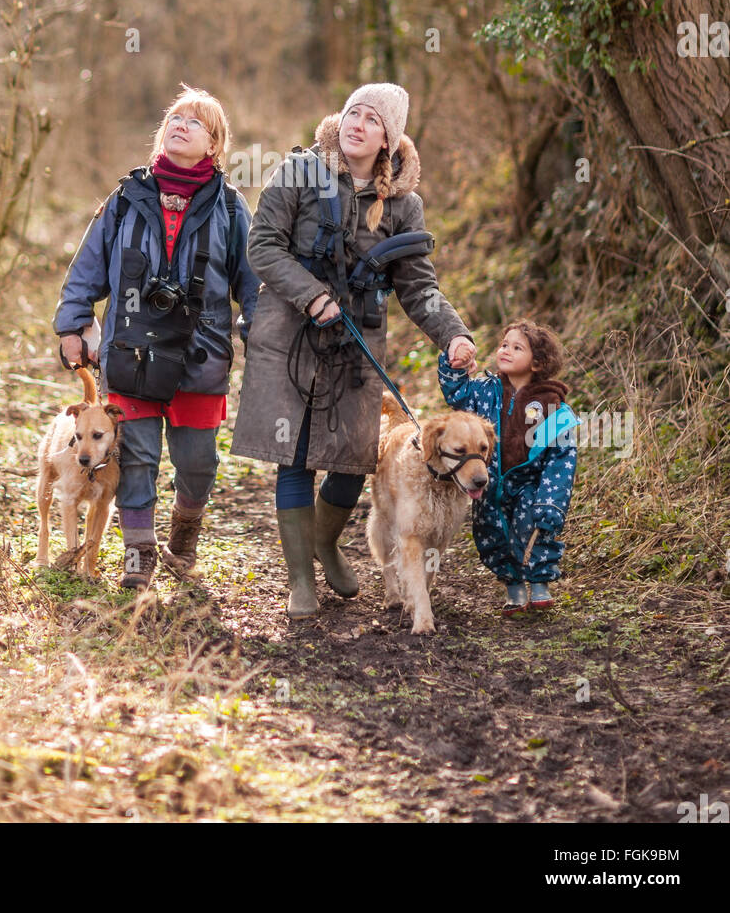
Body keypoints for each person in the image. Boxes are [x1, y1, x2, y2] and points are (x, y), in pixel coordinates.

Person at [231, 83, 477, 619]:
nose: (357, 123)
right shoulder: (298, 172)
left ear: (388, 138)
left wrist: (454, 335)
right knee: (293, 455)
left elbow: (417, 285)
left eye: (371, 119)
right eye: (352, 113)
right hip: (289, 331)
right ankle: (301, 581)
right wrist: (312, 295)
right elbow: (263, 246)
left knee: (353, 457)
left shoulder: (404, 204)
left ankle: (324, 542)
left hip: (356, 339)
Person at [53, 87, 258, 591]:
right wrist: (72, 324)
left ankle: (184, 533)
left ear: (214, 145)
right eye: (175, 117)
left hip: (201, 352)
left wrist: (260, 335)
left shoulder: (230, 208)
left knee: (198, 461)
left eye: (196, 121)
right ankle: (138, 554)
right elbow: (88, 267)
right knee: (138, 456)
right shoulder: (125, 200)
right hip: (130, 351)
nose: (181, 124)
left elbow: (252, 283)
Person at [438, 320, 578, 616]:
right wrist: (455, 364)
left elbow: (561, 457)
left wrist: (552, 500)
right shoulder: (485, 392)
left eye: (517, 348)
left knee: (534, 528)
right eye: (504, 345)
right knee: (492, 533)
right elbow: (456, 393)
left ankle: (540, 585)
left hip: (531, 484)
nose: (506, 350)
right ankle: (513, 589)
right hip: (491, 483)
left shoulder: (552, 405)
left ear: (537, 363)